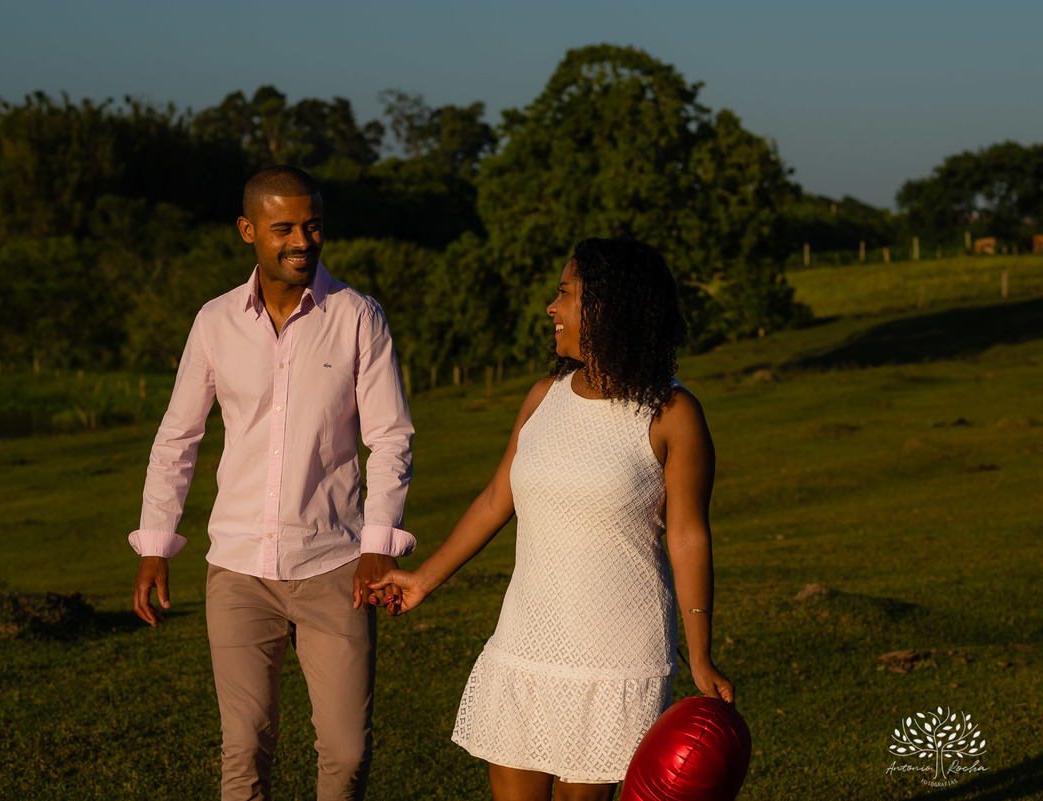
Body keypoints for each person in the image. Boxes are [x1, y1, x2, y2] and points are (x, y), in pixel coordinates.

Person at [370, 238, 735, 801]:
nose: (551, 307)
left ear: (608, 308)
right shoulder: (544, 396)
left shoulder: (672, 413)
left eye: (565, 294)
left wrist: (701, 654)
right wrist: (423, 580)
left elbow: (688, 537)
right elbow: (498, 497)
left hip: (614, 655)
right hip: (525, 640)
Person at [129, 165, 414, 801]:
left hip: (335, 565)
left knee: (346, 752)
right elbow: (177, 439)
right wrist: (154, 545)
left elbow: (391, 437)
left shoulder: (358, 317)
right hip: (238, 570)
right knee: (244, 748)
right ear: (248, 230)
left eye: (312, 226)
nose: (302, 241)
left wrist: (378, 544)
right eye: (283, 228)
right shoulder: (214, 322)